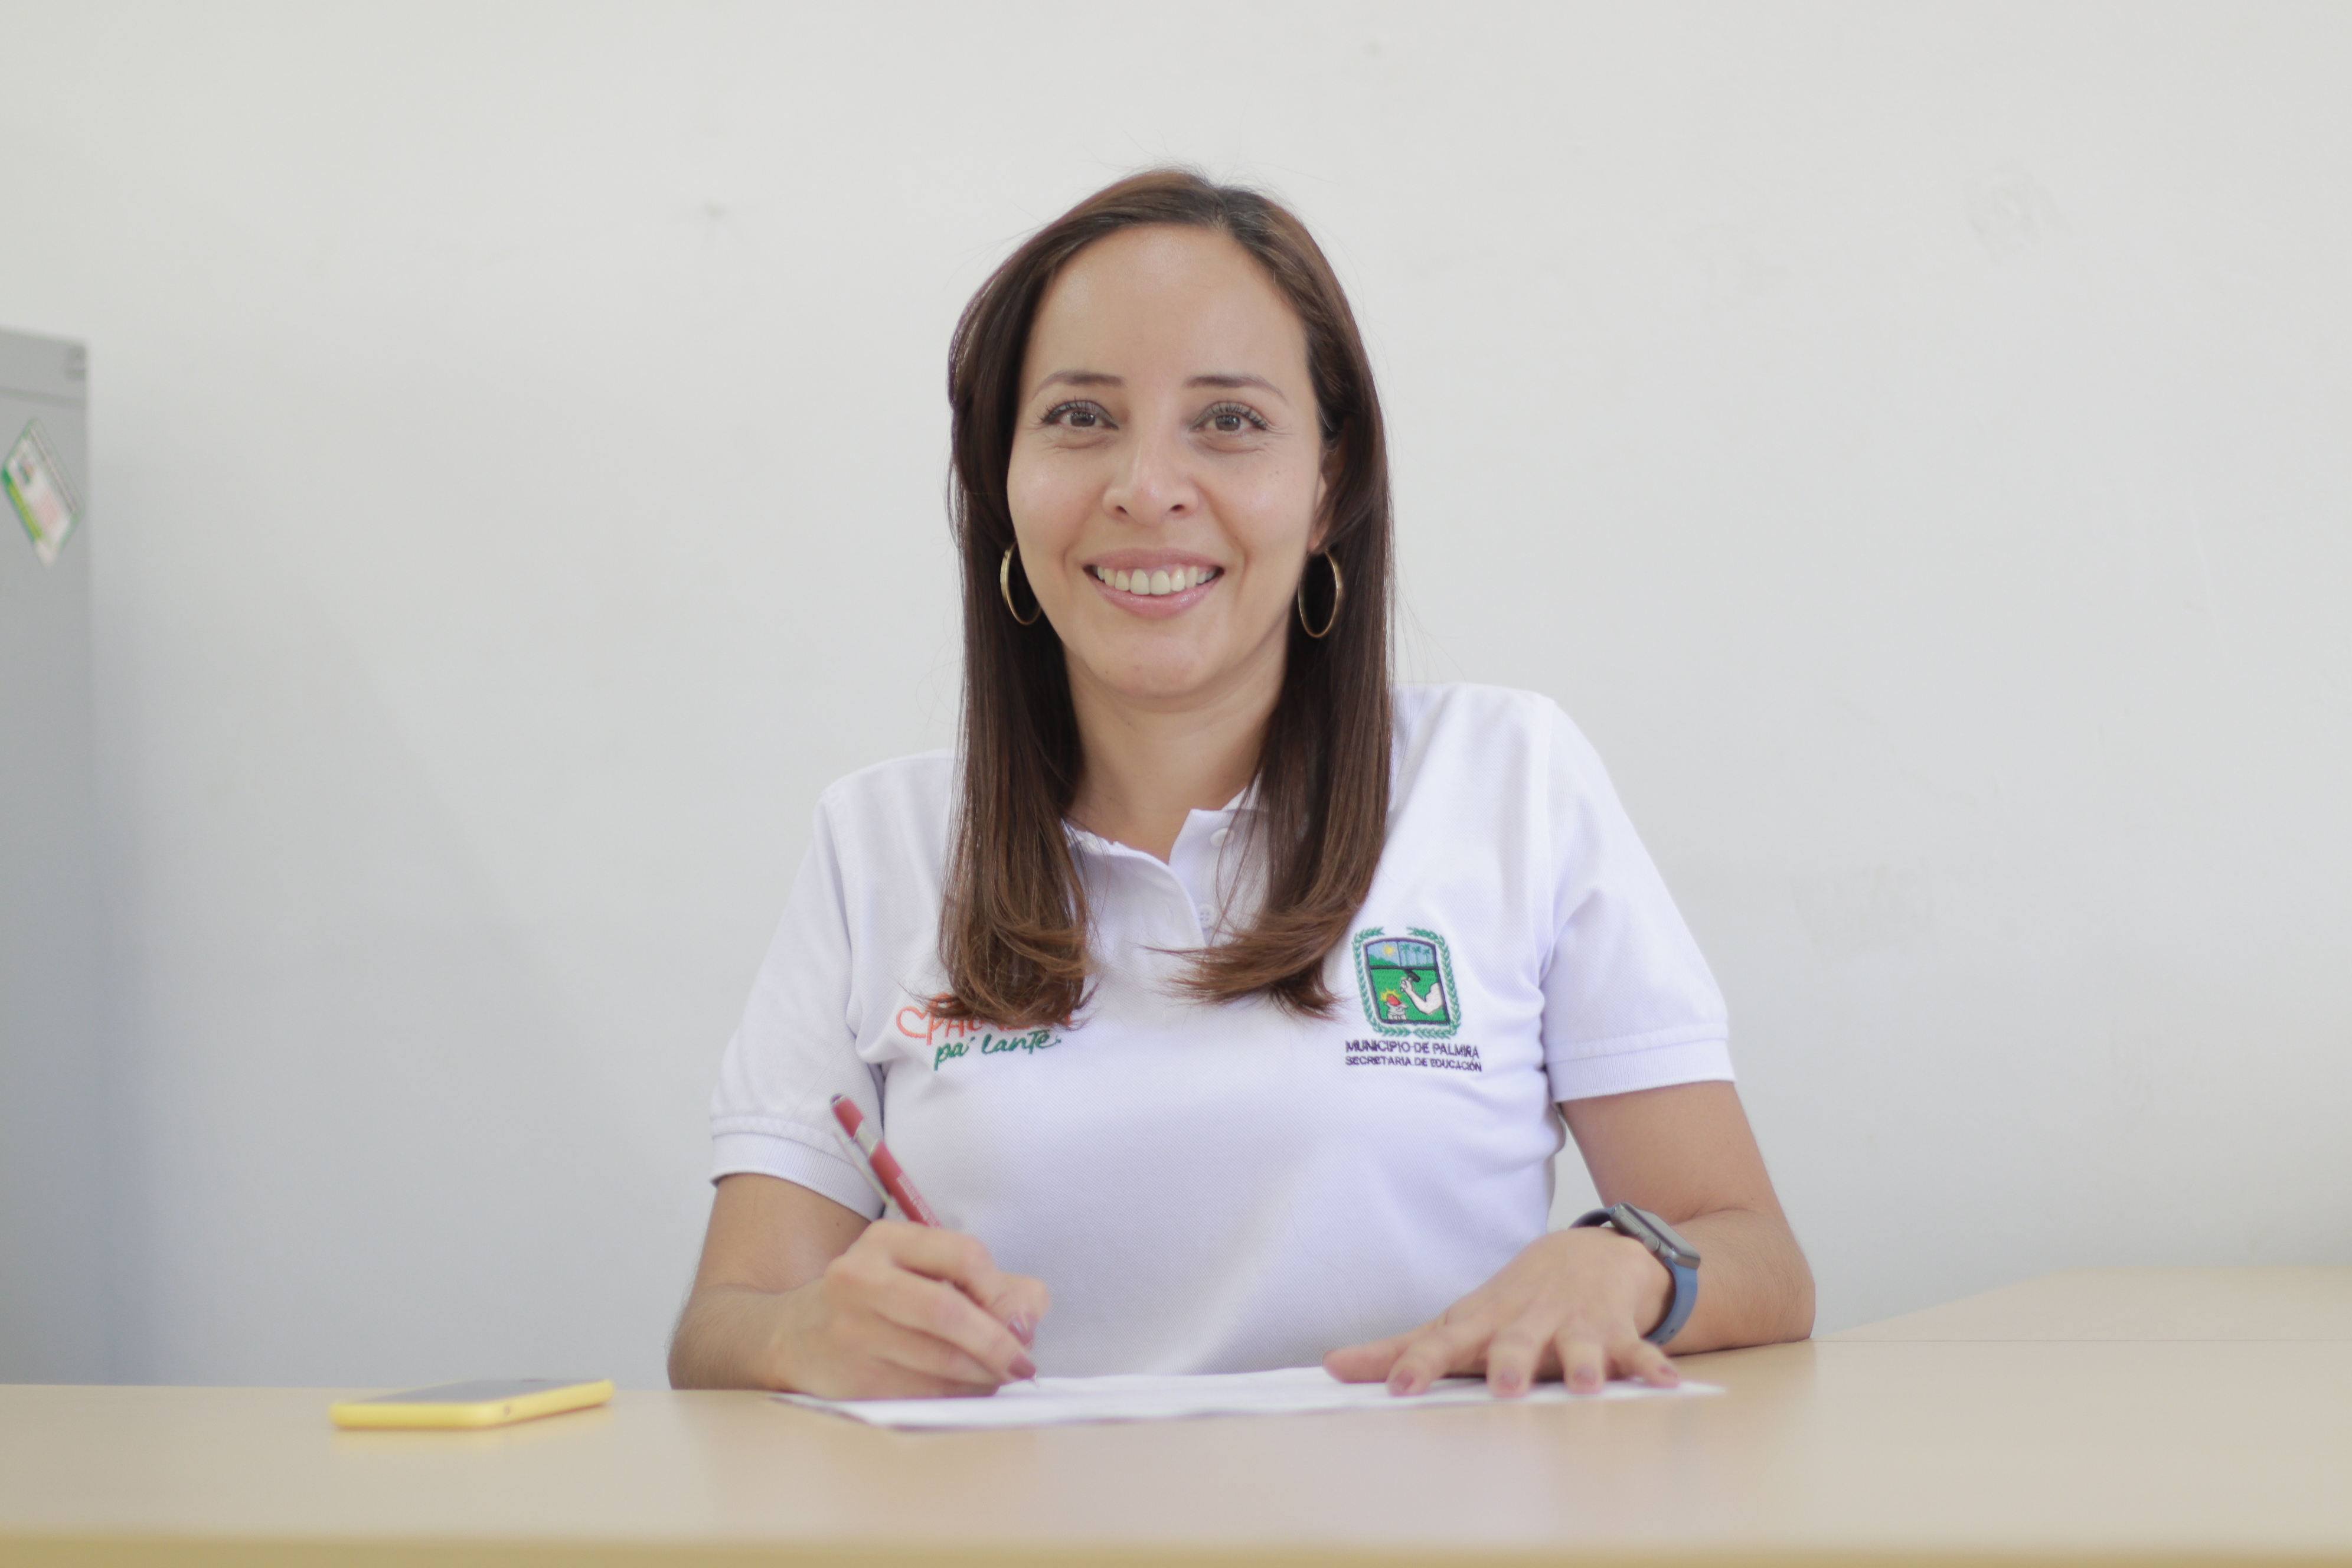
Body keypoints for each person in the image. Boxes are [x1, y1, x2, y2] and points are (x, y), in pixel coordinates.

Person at [668, 169, 1813, 1400]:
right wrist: (801, 1336)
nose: (1147, 486)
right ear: (1000, 479)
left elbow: (1756, 1254)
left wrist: (1627, 1264)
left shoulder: (1507, 780)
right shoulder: (878, 843)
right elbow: (723, 1325)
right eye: (1079, 417)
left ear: (1330, 486)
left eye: (1227, 421)